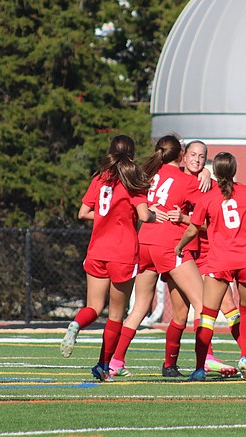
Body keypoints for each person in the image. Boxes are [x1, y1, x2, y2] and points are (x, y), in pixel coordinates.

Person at [175, 152, 246, 381]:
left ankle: (198, 369)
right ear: (234, 170)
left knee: (207, 315)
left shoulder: (208, 198)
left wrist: (180, 246)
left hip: (220, 260)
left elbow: (194, 229)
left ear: (215, 172)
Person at [59, 134, 155, 382]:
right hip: (122, 254)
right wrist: (155, 216)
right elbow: (144, 216)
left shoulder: (100, 179)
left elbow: (83, 213)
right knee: (115, 316)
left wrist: (106, 217)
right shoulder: (134, 181)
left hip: (97, 250)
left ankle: (75, 326)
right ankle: (102, 365)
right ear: (132, 155)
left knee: (93, 307)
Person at [108, 135, 205, 379]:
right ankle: (204, 364)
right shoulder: (185, 180)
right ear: (181, 155)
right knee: (205, 305)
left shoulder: (147, 175)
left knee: (140, 307)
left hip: (145, 243)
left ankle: (116, 361)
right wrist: (206, 180)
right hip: (170, 245)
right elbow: (206, 215)